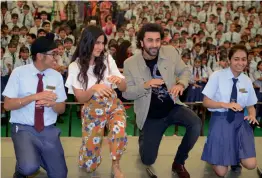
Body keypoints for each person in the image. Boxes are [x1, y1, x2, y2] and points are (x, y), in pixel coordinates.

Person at [122, 23, 202, 178]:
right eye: (150, 40)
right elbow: (127, 94)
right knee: (147, 160)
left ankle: (179, 162)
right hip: (151, 116)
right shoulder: (130, 63)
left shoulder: (171, 52)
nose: (154, 45)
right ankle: (144, 137)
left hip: (173, 107)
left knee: (196, 123)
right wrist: (146, 85)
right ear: (141, 42)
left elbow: (185, 71)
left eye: (157, 40)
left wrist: (180, 84)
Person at [65, 25, 127, 178]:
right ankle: (86, 155)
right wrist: (94, 88)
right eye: (97, 43)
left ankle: (116, 164)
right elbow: (80, 98)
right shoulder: (75, 66)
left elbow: (124, 87)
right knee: (89, 165)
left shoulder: (106, 58)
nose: (101, 47)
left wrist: (119, 81)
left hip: (113, 104)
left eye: (102, 43)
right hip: (92, 108)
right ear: (87, 42)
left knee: (118, 131)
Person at [3, 34, 68, 178]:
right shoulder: (19, 73)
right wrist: (34, 97)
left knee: (60, 175)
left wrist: (53, 105)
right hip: (23, 128)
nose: (56, 57)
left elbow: (62, 108)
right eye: (53, 54)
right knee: (28, 168)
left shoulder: (56, 76)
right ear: (40, 56)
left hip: (48, 130)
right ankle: (26, 161)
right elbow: (7, 105)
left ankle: (33, 155)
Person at [201, 44, 258, 177]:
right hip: (221, 119)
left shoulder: (247, 80)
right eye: (236, 59)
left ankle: (233, 156)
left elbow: (250, 105)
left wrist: (252, 115)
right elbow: (205, 102)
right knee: (221, 172)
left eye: (243, 59)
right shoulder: (217, 76)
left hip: (239, 121)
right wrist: (224, 104)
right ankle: (212, 148)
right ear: (229, 60)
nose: (240, 63)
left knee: (251, 165)